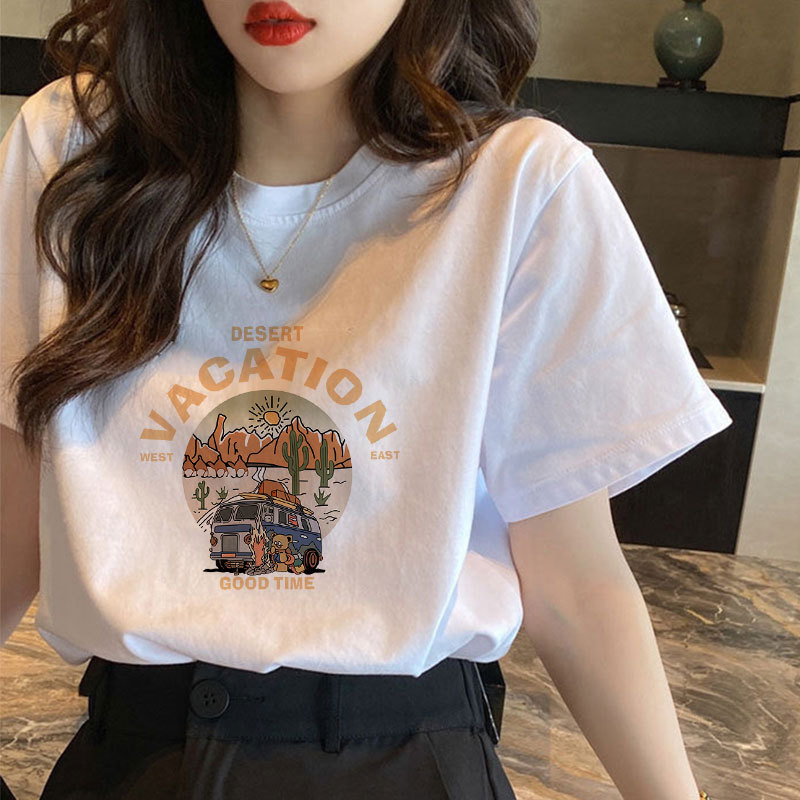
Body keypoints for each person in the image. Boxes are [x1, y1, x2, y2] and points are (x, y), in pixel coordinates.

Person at [0, 0, 730, 798]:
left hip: (408, 761)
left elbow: (575, 585)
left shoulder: (519, 182)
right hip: (130, 760)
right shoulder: (74, 148)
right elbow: (13, 508)